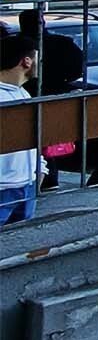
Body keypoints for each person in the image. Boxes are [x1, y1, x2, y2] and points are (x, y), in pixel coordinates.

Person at [0, 25, 42, 225]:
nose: (40, 64)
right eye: (38, 59)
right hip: (5, 188)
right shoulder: (7, 97)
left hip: (25, 185)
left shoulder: (23, 93)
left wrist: (39, 171)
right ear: (27, 61)